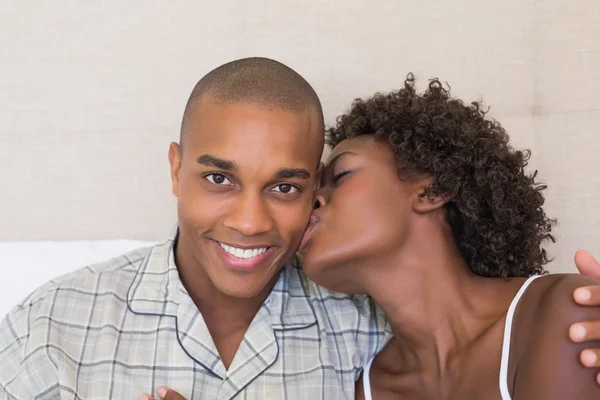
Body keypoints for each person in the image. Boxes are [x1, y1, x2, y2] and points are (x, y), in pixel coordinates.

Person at [0, 59, 598, 400]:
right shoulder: (51, 328)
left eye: (289, 188)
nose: (251, 220)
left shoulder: (365, 336)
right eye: (218, 180)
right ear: (176, 168)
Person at [295, 74, 600, 399]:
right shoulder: (368, 388)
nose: (312, 200)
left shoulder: (565, 311)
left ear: (432, 191)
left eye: (340, 176)